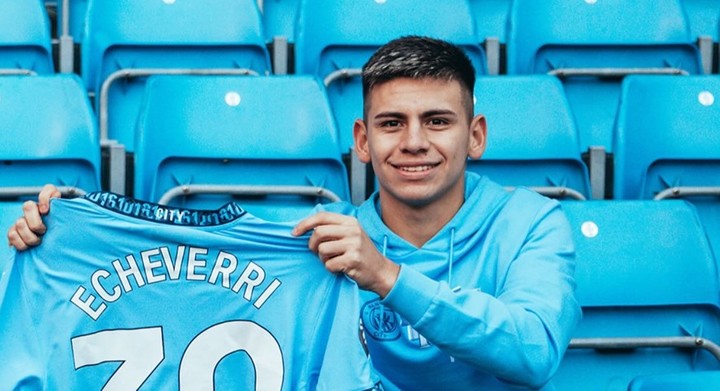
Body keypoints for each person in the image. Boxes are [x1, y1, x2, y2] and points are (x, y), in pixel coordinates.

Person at [8, 36, 581, 389]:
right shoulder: (319, 251)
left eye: (437, 121)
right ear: (361, 140)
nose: (413, 142)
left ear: (475, 135)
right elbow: (190, 290)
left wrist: (386, 277)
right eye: (390, 124)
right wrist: (61, 236)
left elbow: (532, 353)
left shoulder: (530, 224)